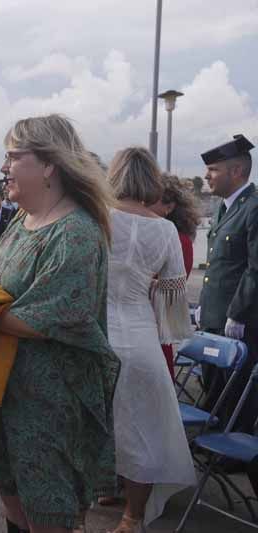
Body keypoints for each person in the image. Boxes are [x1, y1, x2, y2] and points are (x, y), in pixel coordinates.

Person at [0, 114, 119, 533]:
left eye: (12, 156)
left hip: (48, 403)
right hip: (5, 389)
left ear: (49, 165)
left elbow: (45, 317)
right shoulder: (24, 220)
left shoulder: (76, 232)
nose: (4, 168)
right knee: (13, 500)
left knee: (48, 511)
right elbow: (7, 281)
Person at [106, 147, 196, 532]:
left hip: (95, 334)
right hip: (140, 337)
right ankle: (132, 517)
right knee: (140, 430)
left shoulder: (95, 218)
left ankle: (75, 516)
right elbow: (172, 306)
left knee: (92, 427)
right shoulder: (166, 230)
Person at [197, 134, 258, 432]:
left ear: (236, 171)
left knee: (237, 395)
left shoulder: (253, 207)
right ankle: (214, 450)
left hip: (238, 322)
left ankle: (232, 457)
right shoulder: (225, 208)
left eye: (213, 170)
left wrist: (238, 312)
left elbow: (255, 268)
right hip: (214, 318)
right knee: (214, 389)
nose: (207, 176)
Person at [148, 174, 200, 374]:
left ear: (169, 207)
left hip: (155, 329)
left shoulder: (179, 241)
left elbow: (169, 292)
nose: (143, 202)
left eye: (151, 199)